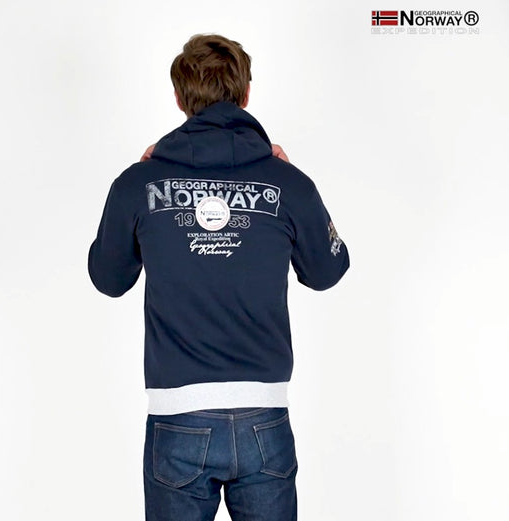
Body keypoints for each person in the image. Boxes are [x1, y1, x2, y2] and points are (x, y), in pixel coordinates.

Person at [88, 33, 349, 521]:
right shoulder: (286, 183)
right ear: (246, 94)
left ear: (179, 98)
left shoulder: (138, 183)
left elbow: (108, 277)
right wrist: (291, 183)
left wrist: (141, 193)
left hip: (177, 420)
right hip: (263, 419)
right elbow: (327, 269)